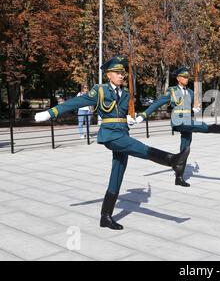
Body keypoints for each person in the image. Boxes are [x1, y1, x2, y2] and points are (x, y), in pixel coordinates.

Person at [34, 56, 190, 230]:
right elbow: (77, 102)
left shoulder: (125, 93)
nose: (121, 75)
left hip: (122, 132)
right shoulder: (99, 91)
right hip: (110, 136)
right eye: (117, 73)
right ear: (108, 75)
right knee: (137, 146)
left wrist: (129, 118)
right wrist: (51, 112)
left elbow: (121, 113)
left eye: (122, 73)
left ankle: (105, 216)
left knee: (117, 175)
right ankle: (171, 160)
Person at [136, 66, 220, 187]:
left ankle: (179, 177)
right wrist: (143, 115)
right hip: (179, 122)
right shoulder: (172, 91)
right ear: (178, 78)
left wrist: (196, 109)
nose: (186, 79)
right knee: (202, 126)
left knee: (185, 149)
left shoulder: (190, 92)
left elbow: (194, 106)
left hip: (188, 122)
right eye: (184, 77)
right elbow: (157, 103)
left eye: (187, 77)